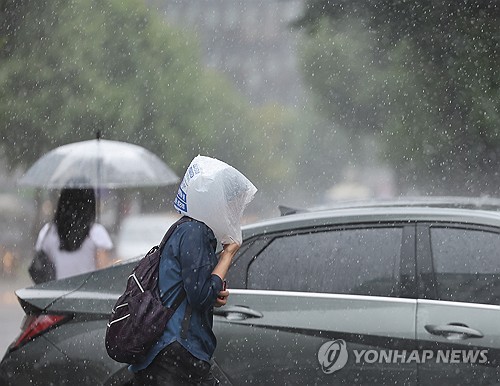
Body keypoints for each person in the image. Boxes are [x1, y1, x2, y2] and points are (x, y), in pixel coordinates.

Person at [131, 157, 256, 385]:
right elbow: (200, 296)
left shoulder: (191, 230)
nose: (233, 212)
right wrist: (229, 254)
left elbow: (196, 289)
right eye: (231, 205)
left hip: (178, 350)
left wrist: (213, 294)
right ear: (215, 203)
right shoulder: (194, 232)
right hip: (176, 350)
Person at [34, 187, 113, 280]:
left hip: (56, 292)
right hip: (87, 292)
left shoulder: (48, 232)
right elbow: (103, 274)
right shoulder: (96, 233)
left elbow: (43, 267)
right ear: (90, 204)